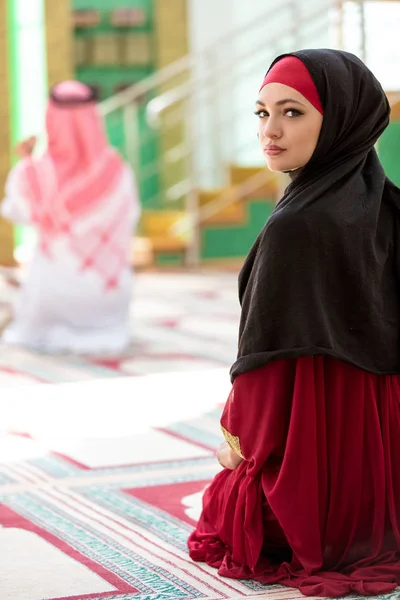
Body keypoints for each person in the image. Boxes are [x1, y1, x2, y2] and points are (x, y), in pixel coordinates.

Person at [188, 49, 400, 597]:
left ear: (344, 119)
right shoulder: (388, 206)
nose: (271, 130)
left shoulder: (296, 226)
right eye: (262, 113)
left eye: (293, 112)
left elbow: (267, 361)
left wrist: (239, 444)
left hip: (317, 479)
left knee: (236, 512)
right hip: (384, 477)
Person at [1, 81, 140, 354]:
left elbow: (13, 212)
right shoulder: (117, 170)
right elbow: (131, 218)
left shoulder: (33, 174)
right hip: (107, 298)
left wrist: (27, 163)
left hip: (51, 298)